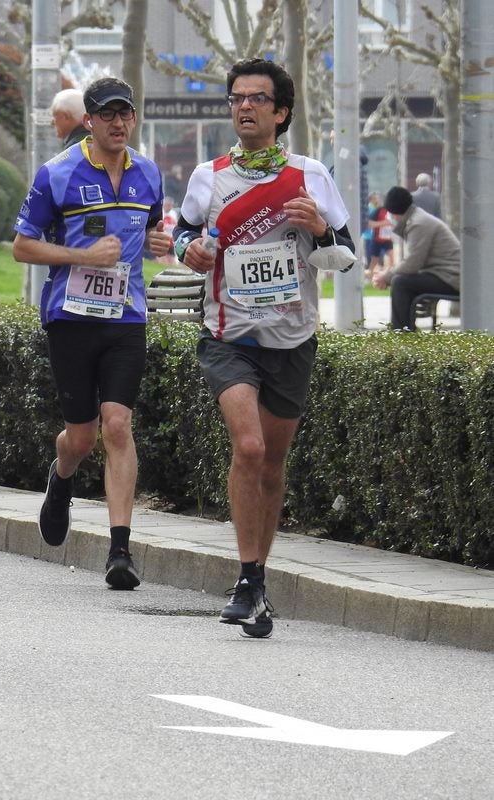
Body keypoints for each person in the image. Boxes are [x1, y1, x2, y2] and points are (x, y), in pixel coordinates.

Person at [174, 58, 355, 631]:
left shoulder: (310, 177)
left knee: (272, 465)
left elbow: (346, 257)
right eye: (236, 98)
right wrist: (190, 252)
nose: (244, 106)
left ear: (280, 112)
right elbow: (181, 235)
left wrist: (320, 230)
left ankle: (256, 579)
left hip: (292, 338)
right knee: (248, 448)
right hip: (229, 335)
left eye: (256, 98)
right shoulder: (210, 175)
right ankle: (247, 575)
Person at [13, 76, 173, 590]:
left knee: (118, 426)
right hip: (72, 319)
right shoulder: (57, 173)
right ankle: (61, 483)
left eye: (126, 114)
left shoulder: (148, 173)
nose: (119, 123)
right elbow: (23, 246)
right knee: (81, 438)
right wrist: (82, 256)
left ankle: (120, 551)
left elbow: (146, 235)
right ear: (89, 120)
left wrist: (159, 241)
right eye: (108, 115)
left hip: (126, 318)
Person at [372, 185, 460, 330]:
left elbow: (412, 263)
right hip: (444, 275)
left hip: (450, 277)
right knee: (401, 280)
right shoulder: (417, 218)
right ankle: (406, 329)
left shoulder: (418, 223)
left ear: (394, 212)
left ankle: (401, 333)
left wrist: (385, 277)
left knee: (400, 282)